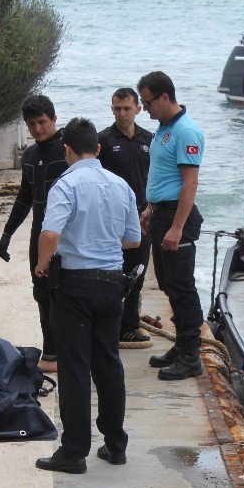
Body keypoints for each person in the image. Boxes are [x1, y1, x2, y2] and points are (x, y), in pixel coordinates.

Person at [33, 118, 140, 474]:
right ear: (97, 149)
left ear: (66, 150)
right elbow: (133, 240)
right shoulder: (120, 185)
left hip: (75, 286)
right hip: (111, 283)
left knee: (75, 367)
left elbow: (50, 234)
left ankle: (74, 451)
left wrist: (42, 265)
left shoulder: (66, 184)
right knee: (108, 363)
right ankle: (115, 444)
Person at [136, 71, 205, 381]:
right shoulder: (164, 129)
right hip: (162, 212)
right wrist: (151, 208)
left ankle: (192, 355)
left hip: (179, 216)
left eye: (147, 102)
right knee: (166, 283)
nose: (144, 108)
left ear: (165, 98)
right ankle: (181, 345)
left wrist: (177, 227)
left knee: (182, 286)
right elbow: (163, 176)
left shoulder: (186, 131)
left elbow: (189, 183)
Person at [0, 95, 67, 373]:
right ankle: (50, 352)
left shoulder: (66, 150)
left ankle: (69, 352)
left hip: (64, 236)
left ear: (54, 119)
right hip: (39, 235)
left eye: (42, 122)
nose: (37, 129)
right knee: (41, 294)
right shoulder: (30, 155)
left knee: (64, 296)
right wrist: (7, 234)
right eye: (31, 124)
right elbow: (24, 198)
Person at [97, 88, 153, 346]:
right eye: (117, 109)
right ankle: (109, 324)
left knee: (137, 273)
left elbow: (158, 178)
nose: (122, 113)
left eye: (127, 108)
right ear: (112, 110)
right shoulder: (103, 141)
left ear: (138, 109)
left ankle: (129, 326)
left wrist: (151, 208)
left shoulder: (149, 140)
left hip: (142, 216)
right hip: (112, 219)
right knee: (111, 272)